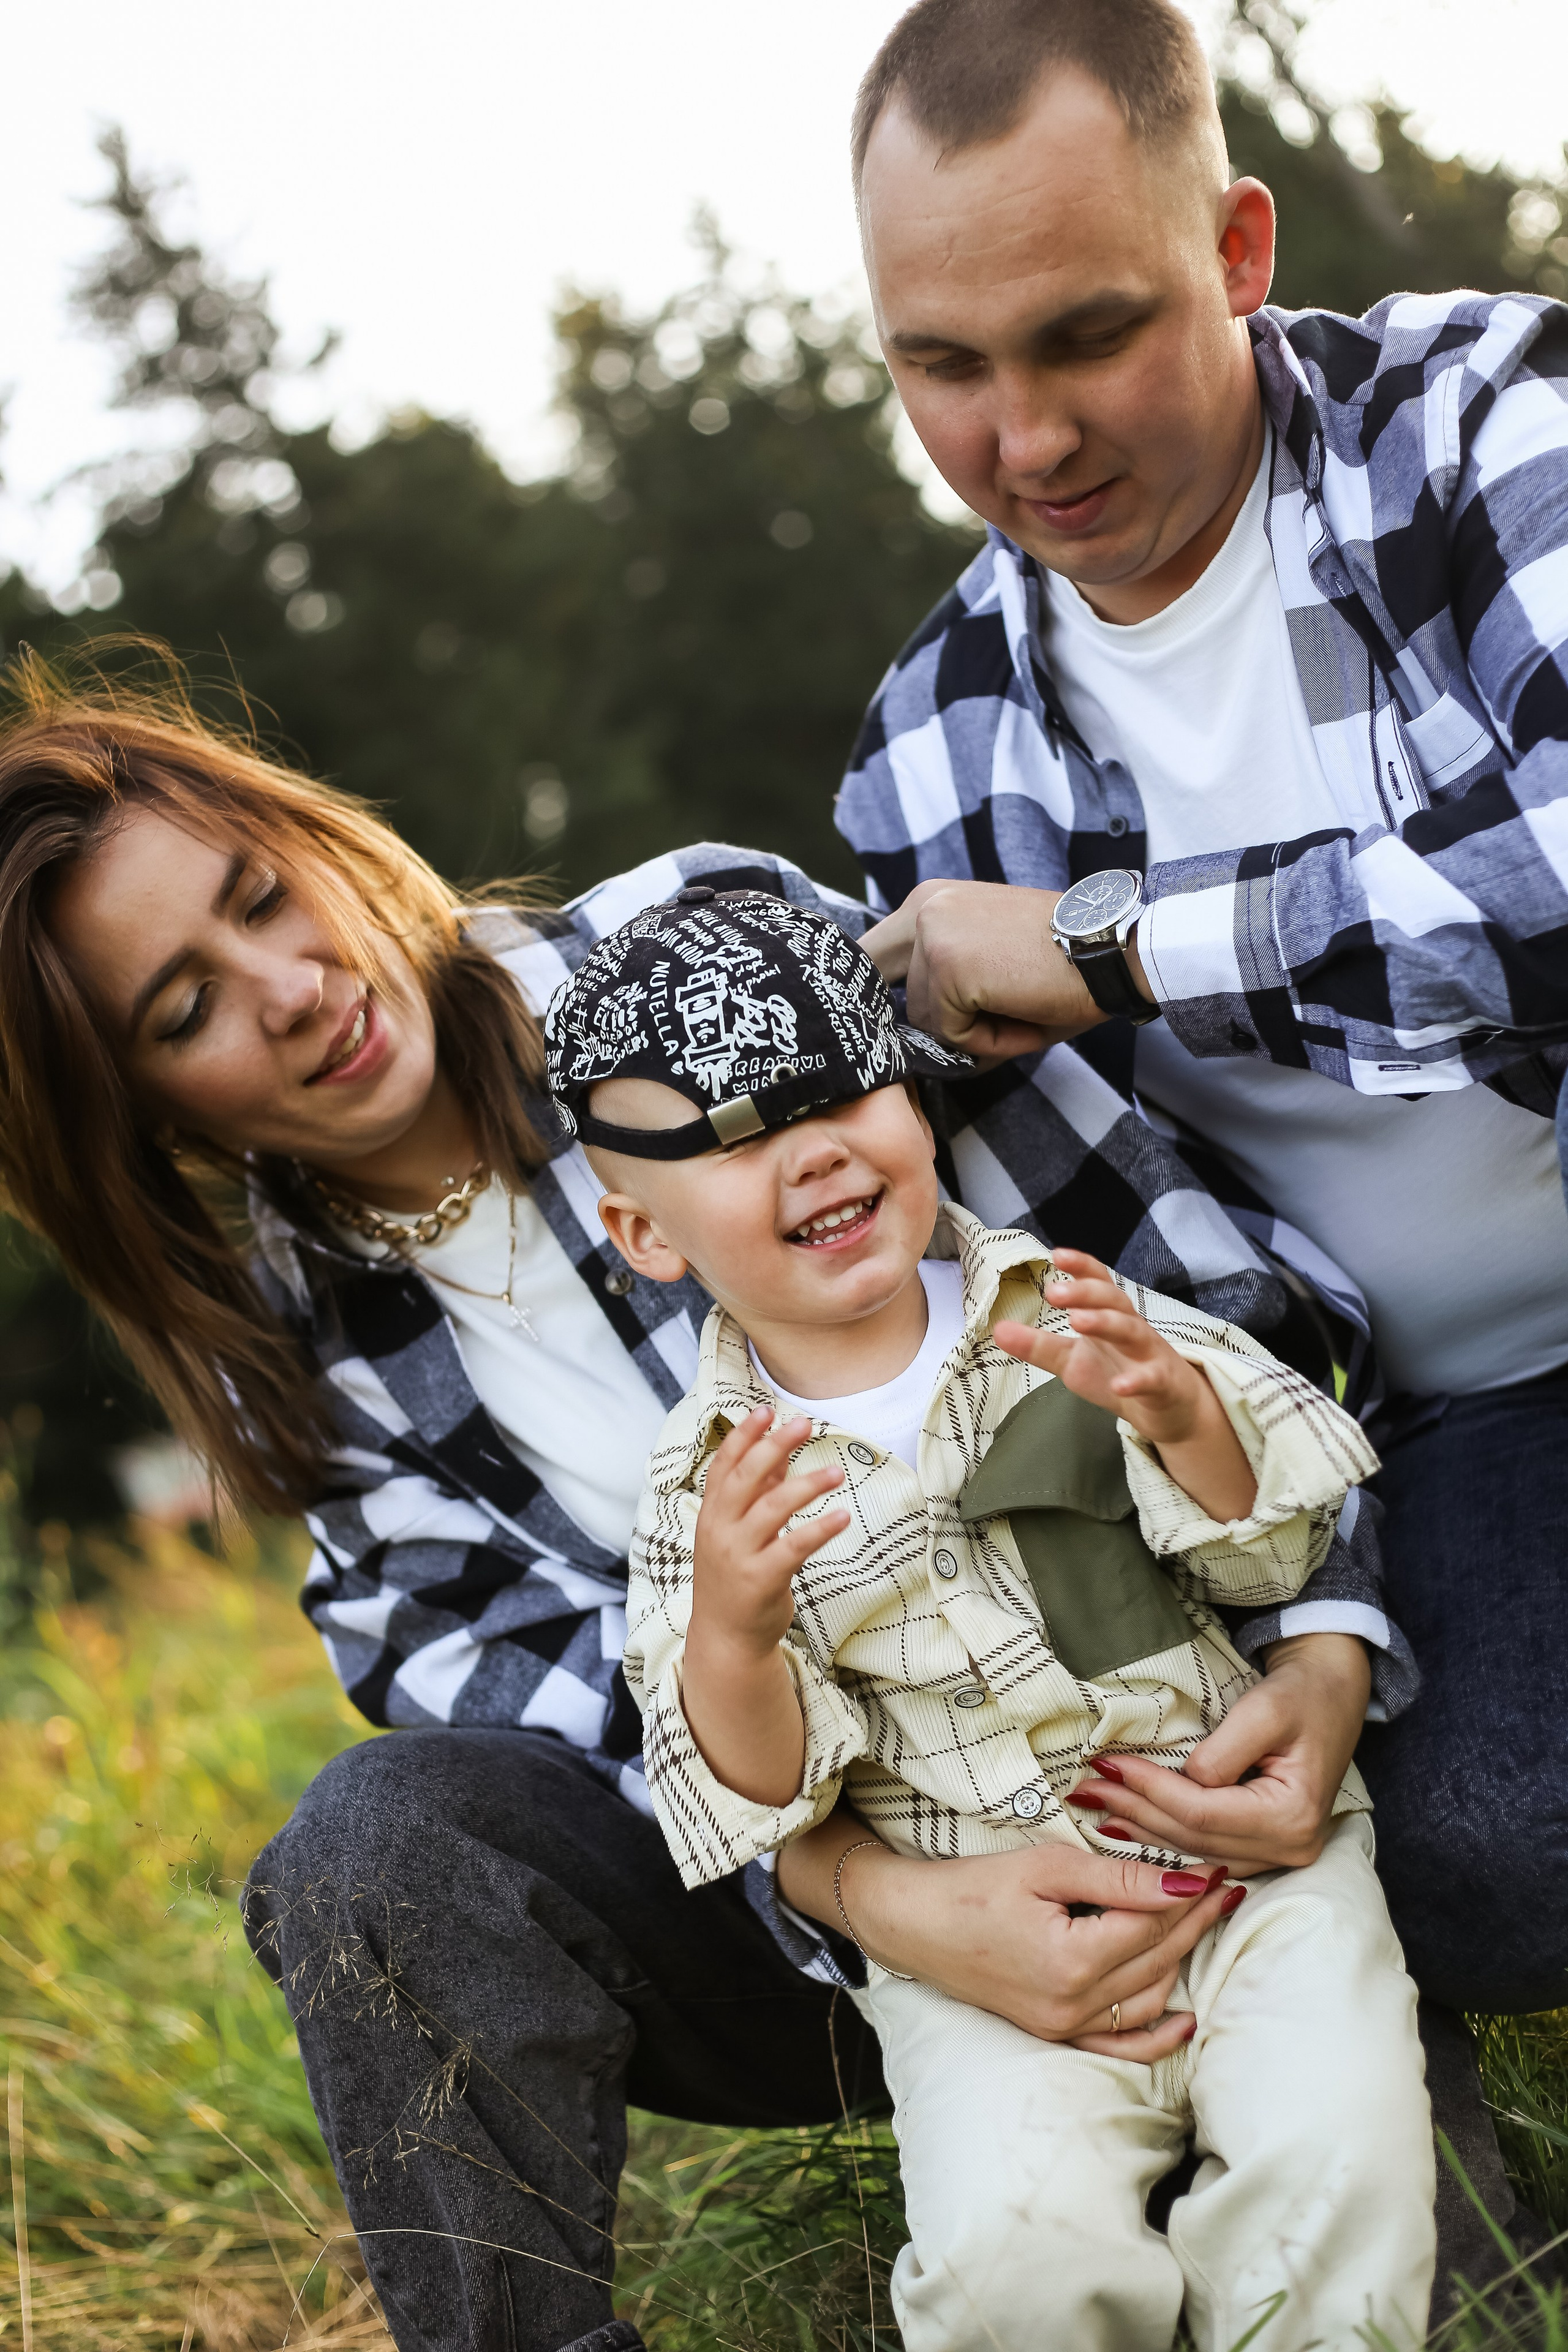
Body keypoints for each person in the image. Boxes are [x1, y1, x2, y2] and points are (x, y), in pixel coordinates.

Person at [0, 654, 1406, 2351]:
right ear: (136, 1112)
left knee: (1389, 2127)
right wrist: (886, 1899)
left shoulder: (701, 949)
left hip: (1189, 1750)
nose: (291, 989)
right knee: (368, 1845)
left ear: (318, 840)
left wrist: (1324, 1647)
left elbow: (1206, 1308)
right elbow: (604, 1732)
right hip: (845, 1907)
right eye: (185, 1013)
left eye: (260, 898)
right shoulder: (293, 1365)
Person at [832, 0, 1568, 2278]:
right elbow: (1103, 1289)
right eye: (943, 365)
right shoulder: (928, 760)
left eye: (1088, 334)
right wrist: (1318, 1607)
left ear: (1238, 249)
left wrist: (1115, 944)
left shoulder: (1486, 422)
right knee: (1486, 1838)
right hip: (1449, 1418)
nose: (1025, 438)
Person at [549, 886, 1433, 2351]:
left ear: (910, 1096)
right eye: (738, 1137)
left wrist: (1181, 1418)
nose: (814, 1148)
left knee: (1334, 2167)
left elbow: (1271, 1554)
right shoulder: (706, 1495)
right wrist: (733, 1638)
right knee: (1007, 2262)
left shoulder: (1070, 1310)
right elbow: (764, 1796)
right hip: (973, 1951)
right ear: (643, 1233)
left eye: (841, 1089)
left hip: (1246, 1873)